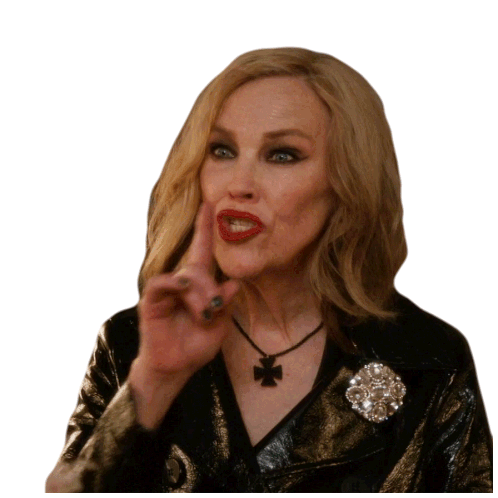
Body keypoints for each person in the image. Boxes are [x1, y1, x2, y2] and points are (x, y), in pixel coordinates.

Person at [44, 45, 493, 493]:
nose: (239, 184)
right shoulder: (131, 342)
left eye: (282, 155)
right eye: (221, 150)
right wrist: (156, 381)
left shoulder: (429, 360)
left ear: (347, 183)